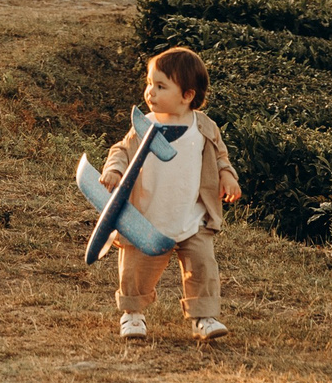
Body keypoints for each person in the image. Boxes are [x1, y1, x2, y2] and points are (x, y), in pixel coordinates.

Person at [96, 45, 243, 342]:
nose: (150, 92)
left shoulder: (203, 126)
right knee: (136, 269)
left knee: (202, 266)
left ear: (187, 95)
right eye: (149, 83)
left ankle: (203, 317)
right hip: (148, 217)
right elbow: (122, 150)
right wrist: (114, 170)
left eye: (161, 86)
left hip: (192, 218)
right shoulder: (145, 125)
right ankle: (133, 314)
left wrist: (228, 176)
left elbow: (220, 157)